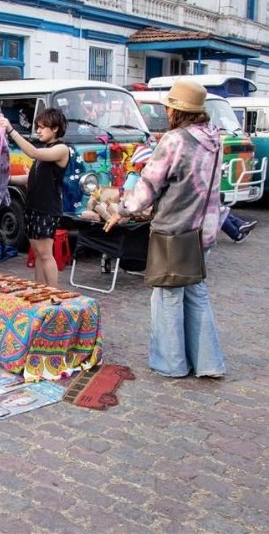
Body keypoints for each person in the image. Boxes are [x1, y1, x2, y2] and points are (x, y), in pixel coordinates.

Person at [104, 80, 225, 378]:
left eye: (169, 107)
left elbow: (148, 186)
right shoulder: (214, 137)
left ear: (176, 111)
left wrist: (121, 210)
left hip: (175, 229)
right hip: (205, 229)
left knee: (167, 296)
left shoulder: (174, 140)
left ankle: (171, 363)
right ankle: (208, 363)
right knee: (196, 291)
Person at [0, 108, 70, 286]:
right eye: (37, 127)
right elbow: (30, 178)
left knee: (45, 254)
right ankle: (39, 289)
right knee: (37, 252)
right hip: (33, 206)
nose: (37, 130)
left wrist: (11, 130)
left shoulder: (61, 149)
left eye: (42, 127)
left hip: (47, 208)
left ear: (55, 128)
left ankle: (53, 293)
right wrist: (6, 179)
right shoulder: (44, 149)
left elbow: (33, 153)